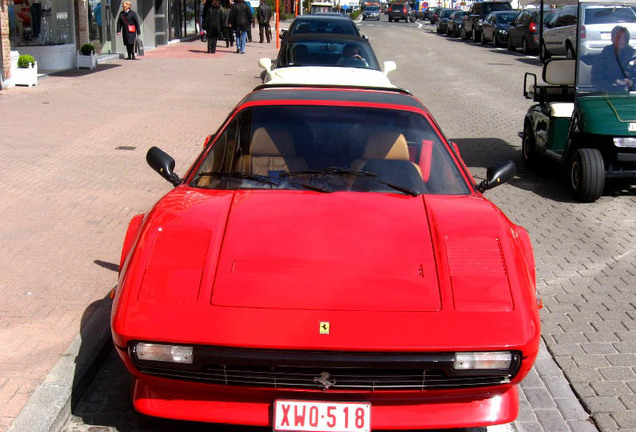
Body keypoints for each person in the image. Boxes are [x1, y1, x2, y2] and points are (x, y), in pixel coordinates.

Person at [591, 25, 636, 92]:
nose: (621, 41)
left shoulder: (633, 55)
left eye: (624, 38)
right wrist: (613, 85)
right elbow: (596, 78)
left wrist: (632, 82)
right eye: (618, 38)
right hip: (609, 93)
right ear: (612, 39)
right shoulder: (604, 55)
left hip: (630, 95)